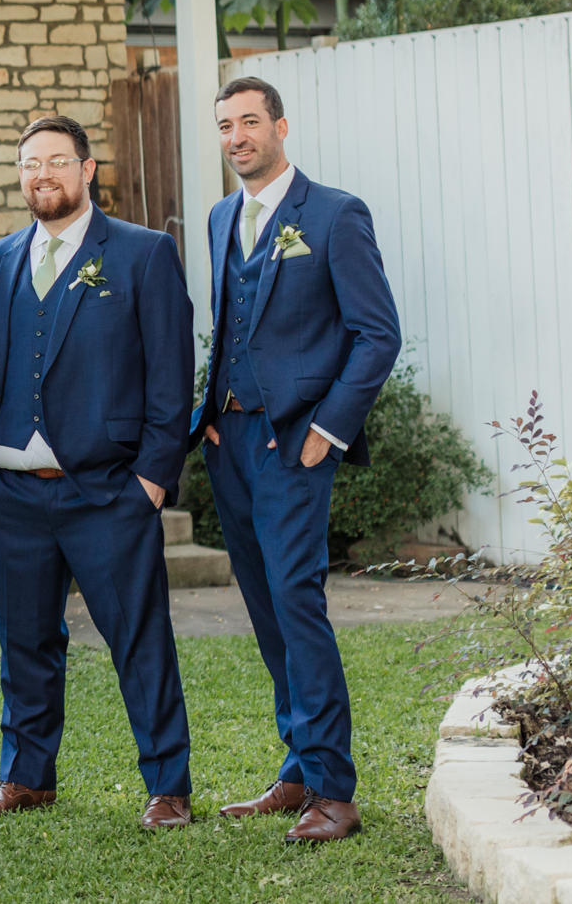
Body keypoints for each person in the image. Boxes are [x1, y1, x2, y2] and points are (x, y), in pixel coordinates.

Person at [0, 114, 195, 830]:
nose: (43, 175)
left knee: (138, 636)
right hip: (10, 491)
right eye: (31, 163)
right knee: (24, 641)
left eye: (57, 161)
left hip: (109, 491)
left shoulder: (143, 254)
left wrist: (152, 479)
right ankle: (27, 775)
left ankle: (167, 783)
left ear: (87, 169)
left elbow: (170, 373)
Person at [195, 77, 400, 843]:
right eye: (226, 125)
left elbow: (377, 334)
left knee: (297, 601)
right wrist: (209, 417)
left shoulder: (336, 213)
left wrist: (329, 430)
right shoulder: (221, 216)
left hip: (295, 443)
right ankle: (299, 767)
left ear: (280, 125)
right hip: (230, 442)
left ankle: (335, 790)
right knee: (265, 607)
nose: (238, 135)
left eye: (250, 121)